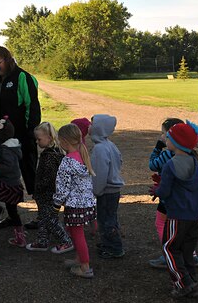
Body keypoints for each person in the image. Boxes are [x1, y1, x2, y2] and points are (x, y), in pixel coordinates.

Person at [0, 46, 41, 197]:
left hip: (22, 135)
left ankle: (42, 210)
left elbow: (31, 106)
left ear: (7, 59)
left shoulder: (23, 77)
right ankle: (9, 212)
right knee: (4, 175)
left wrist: (30, 131)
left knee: (29, 171)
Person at [153, 122, 198, 299]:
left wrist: (156, 191)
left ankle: (183, 284)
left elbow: (165, 191)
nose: (166, 139)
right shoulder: (194, 161)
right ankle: (191, 280)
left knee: (170, 248)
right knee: (186, 251)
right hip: (193, 215)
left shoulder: (170, 165)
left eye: (169, 137)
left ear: (176, 143)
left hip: (177, 215)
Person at [53, 123, 97, 279]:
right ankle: (79, 259)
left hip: (74, 204)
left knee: (77, 234)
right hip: (86, 203)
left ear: (64, 142)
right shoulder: (82, 156)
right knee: (73, 230)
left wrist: (56, 203)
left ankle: (85, 267)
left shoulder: (67, 162)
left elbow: (62, 187)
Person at [25, 122, 73, 253]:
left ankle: (65, 241)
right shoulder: (53, 154)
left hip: (48, 194)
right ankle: (42, 241)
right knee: (43, 217)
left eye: (39, 139)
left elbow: (49, 178)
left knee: (49, 219)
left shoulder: (50, 157)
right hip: (45, 194)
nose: (37, 141)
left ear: (49, 138)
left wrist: (39, 188)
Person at [147, 117, 183, 268]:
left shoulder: (168, 154)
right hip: (182, 196)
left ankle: (167, 254)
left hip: (167, 196)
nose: (161, 136)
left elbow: (152, 165)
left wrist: (157, 147)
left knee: (161, 223)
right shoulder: (187, 154)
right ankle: (191, 254)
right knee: (182, 227)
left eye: (163, 134)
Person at [89, 114, 125, 259]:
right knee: (110, 218)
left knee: (106, 221)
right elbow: (120, 160)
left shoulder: (100, 148)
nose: (89, 127)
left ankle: (114, 248)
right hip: (112, 190)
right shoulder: (109, 144)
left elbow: (100, 173)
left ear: (99, 128)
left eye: (92, 124)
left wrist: (96, 190)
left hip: (106, 190)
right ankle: (108, 243)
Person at [0, 117, 26, 247]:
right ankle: (18, 231)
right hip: (12, 183)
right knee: (12, 210)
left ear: (2, 135)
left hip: (8, 184)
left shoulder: (5, 149)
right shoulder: (12, 147)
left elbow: (8, 167)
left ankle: (20, 237)